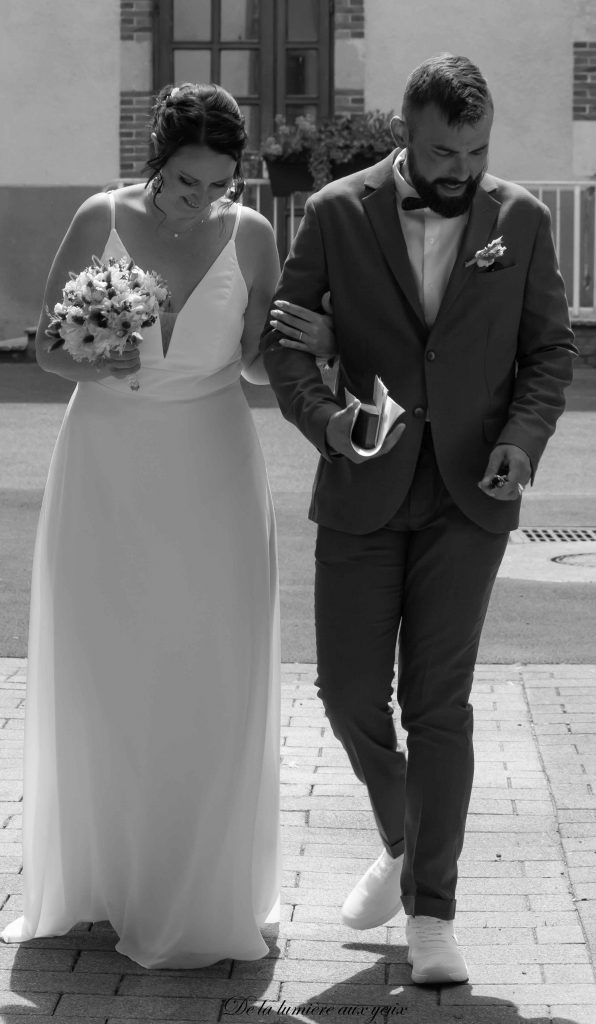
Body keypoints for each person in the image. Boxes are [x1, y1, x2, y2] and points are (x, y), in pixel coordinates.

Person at [1, 82, 333, 969]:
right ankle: (107, 878)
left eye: (220, 184)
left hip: (214, 465)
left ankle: (199, 881)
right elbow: (40, 347)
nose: (203, 200)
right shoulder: (96, 218)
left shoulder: (253, 236)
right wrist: (90, 356)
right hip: (109, 461)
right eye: (189, 183)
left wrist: (316, 343)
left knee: (208, 665)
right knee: (108, 660)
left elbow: (260, 366)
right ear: (158, 159)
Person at [262, 54, 577, 985]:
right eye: (445, 150)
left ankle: (434, 913)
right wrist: (326, 422)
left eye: (477, 150)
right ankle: (406, 838)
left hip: (473, 492)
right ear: (407, 131)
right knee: (349, 694)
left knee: (438, 705)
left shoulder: (520, 218)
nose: (462, 169)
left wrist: (524, 441)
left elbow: (549, 351)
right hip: (363, 482)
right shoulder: (333, 213)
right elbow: (286, 335)